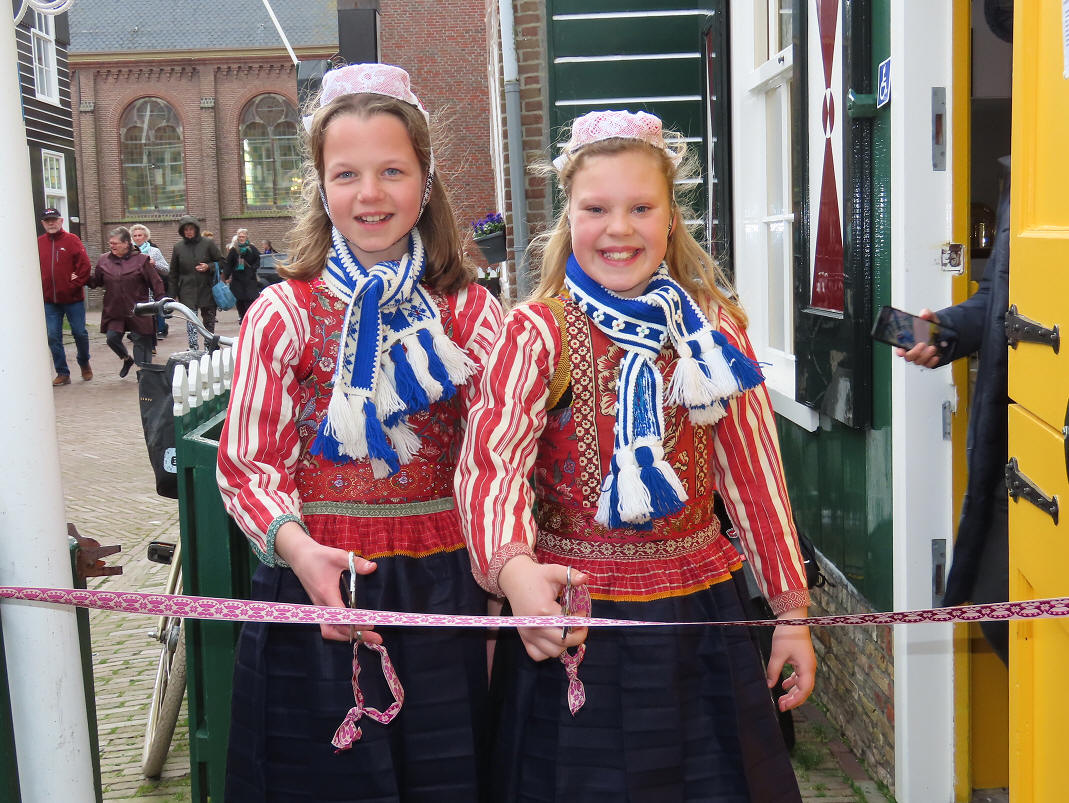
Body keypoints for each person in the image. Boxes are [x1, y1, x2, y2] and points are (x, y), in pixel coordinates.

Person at [455, 110, 816, 801]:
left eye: (640, 208)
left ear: (671, 219)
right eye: (596, 209)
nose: (618, 228)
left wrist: (790, 613)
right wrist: (516, 573)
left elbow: (755, 478)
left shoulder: (712, 330)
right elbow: (490, 467)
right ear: (568, 217)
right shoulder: (535, 333)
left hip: (700, 618)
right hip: (568, 612)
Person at [216, 63, 503, 801]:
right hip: (316, 581)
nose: (369, 193)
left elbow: (498, 459)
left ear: (426, 181)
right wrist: (300, 551)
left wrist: (501, 578)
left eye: (391, 171)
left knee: (447, 778)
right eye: (346, 174)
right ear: (320, 185)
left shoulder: (472, 312)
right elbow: (248, 464)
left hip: (447, 587)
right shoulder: (281, 312)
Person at [897, 156, 1011, 665]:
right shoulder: (1026, 172)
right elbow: (998, 296)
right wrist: (943, 332)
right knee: (998, 612)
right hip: (1020, 451)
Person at [88, 226, 164, 377]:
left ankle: (144, 375)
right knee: (112, 338)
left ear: (126, 243)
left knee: (141, 341)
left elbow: (156, 282)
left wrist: (161, 301)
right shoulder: (104, 260)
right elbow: (96, 281)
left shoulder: (141, 260)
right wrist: (82, 276)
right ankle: (126, 359)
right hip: (115, 310)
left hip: (138, 310)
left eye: (115, 243)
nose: (112, 246)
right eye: (110, 243)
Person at [38, 207, 93, 386]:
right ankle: (62, 372)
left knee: (79, 332)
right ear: (43, 224)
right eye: (48, 221)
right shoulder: (38, 243)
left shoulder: (72, 240)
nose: (51, 223)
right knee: (53, 336)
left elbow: (85, 266)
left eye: (54, 220)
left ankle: (84, 362)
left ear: (61, 221)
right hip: (49, 301)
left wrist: (74, 285)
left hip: (73, 299)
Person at [168, 215, 222, 350]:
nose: (189, 232)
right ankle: (193, 348)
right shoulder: (178, 247)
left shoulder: (208, 243)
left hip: (207, 288)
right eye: (186, 230)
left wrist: (209, 266)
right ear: (182, 231)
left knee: (209, 320)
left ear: (196, 229)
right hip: (187, 290)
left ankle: (209, 346)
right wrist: (171, 295)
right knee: (191, 320)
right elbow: (173, 272)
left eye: (191, 229)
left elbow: (222, 262)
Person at [130, 224, 170, 339]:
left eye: (140, 235)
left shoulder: (154, 251)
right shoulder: (128, 252)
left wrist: (155, 264)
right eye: (135, 236)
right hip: (135, 288)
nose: (137, 238)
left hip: (152, 287)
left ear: (146, 237)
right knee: (137, 309)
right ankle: (137, 331)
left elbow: (166, 269)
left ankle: (160, 329)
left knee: (156, 307)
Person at [223, 228, 261, 322]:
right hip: (237, 279)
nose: (241, 238)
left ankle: (249, 318)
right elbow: (229, 263)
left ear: (246, 237)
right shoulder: (234, 249)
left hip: (249, 279)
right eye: (239, 236)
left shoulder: (252, 248)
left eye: (243, 236)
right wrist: (225, 276)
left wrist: (253, 269)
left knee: (250, 300)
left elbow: (258, 259)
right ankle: (242, 318)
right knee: (239, 300)